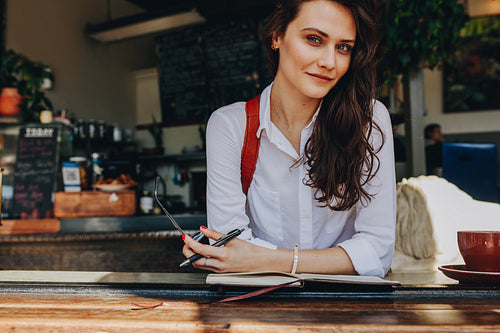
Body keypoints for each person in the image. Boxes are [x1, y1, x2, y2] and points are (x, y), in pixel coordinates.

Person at [182, 0, 396, 278]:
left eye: (343, 47)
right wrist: (333, 260)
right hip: (260, 307)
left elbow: (377, 251)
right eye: (314, 39)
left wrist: (268, 260)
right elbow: (229, 248)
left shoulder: (369, 119)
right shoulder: (230, 126)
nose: (329, 62)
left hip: (348, 304)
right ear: (276, 37)